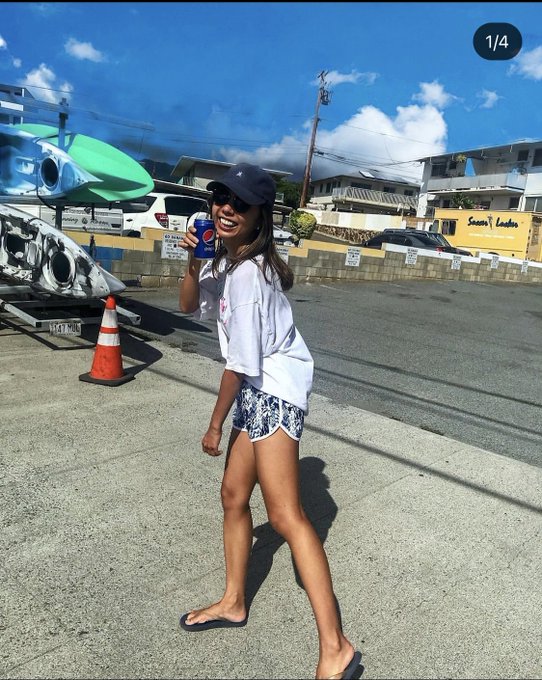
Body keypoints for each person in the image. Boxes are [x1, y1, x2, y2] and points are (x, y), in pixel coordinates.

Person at [178, 163, 361, 680]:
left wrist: (215, 425)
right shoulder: (227, 263)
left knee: (286, 517)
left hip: (274, 392)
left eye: (239, 203)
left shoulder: (249, 277)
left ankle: (336, 647)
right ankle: (234, 601)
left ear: (260, 215)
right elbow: (189, 306)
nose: (225, 208)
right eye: (220, 198)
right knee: (234, 496)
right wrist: (192, 261)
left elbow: (239, 364)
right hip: (257, 389)